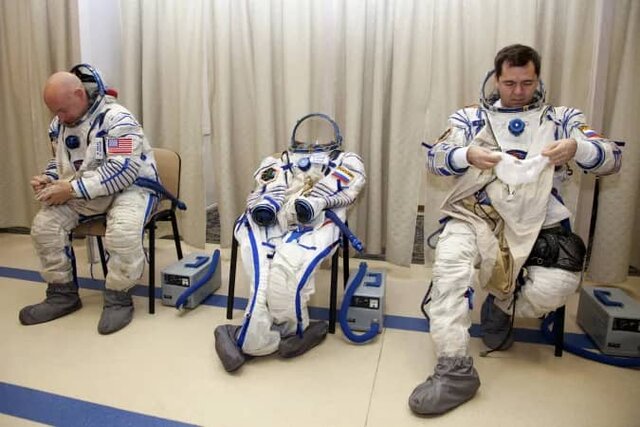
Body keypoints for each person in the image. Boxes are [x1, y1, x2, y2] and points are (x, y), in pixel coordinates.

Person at [410, 44, 622, 414]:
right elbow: (435, 158)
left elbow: (612, 158)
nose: (519, 91)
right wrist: (466, 155)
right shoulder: (470, 119)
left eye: (527, 83)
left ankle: (502, 304)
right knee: (450, 269)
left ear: (538, 79)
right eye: (510, 83)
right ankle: (454, 370)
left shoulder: (561, 119)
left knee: (559, 284)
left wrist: (576, 148)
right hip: (477, 212)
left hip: (540, 216)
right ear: (496, 79)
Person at [214, 113, 366, 372]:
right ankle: (271, 333)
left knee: (286, 270)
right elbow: (267, 187)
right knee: (263, 275)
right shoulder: (279, 160)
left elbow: (344, 185)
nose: (313, 146)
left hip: (318, 220)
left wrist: (316, 200)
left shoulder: (346, 160)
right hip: (272, 219)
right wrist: (270, 203)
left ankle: (268, 334)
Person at [19, 64, 161, 335]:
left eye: (62, 110)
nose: (59, 117)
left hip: (133, 188)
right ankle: (62, 295)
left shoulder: (117, 121)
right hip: (83, 187)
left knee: (122, 232)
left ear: (79, 94)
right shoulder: (59, 125)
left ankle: (118, 298)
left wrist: (72, 190)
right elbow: (62, 160)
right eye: (55, 111)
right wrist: (50, 178)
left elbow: (122, 170)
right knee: (45, 226)